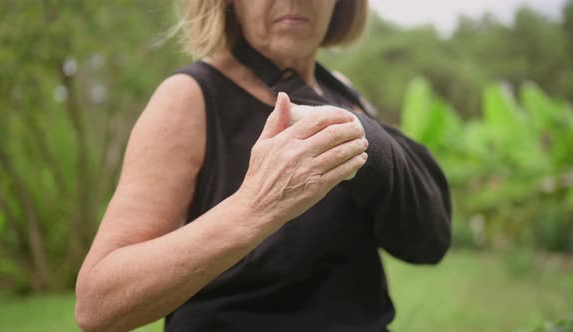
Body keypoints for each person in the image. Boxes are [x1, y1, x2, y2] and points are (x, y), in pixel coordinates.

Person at [74, 0, 452, 331]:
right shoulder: (187, 98)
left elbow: (428, 241)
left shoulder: (341, 92)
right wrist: (254, 207)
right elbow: (97, 305)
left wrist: (370, 140)